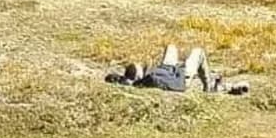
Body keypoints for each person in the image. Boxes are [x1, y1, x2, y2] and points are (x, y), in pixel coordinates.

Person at [105, 44, 248, 94]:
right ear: (137, 76)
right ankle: (209, 87)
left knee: (171, 47)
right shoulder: (152, 79)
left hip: (167, 69)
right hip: (180, 76)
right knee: (198, 52)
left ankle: (211, 83)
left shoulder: (140, 79)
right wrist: (181, 69)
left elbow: (112, 78)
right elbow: (176, 85)